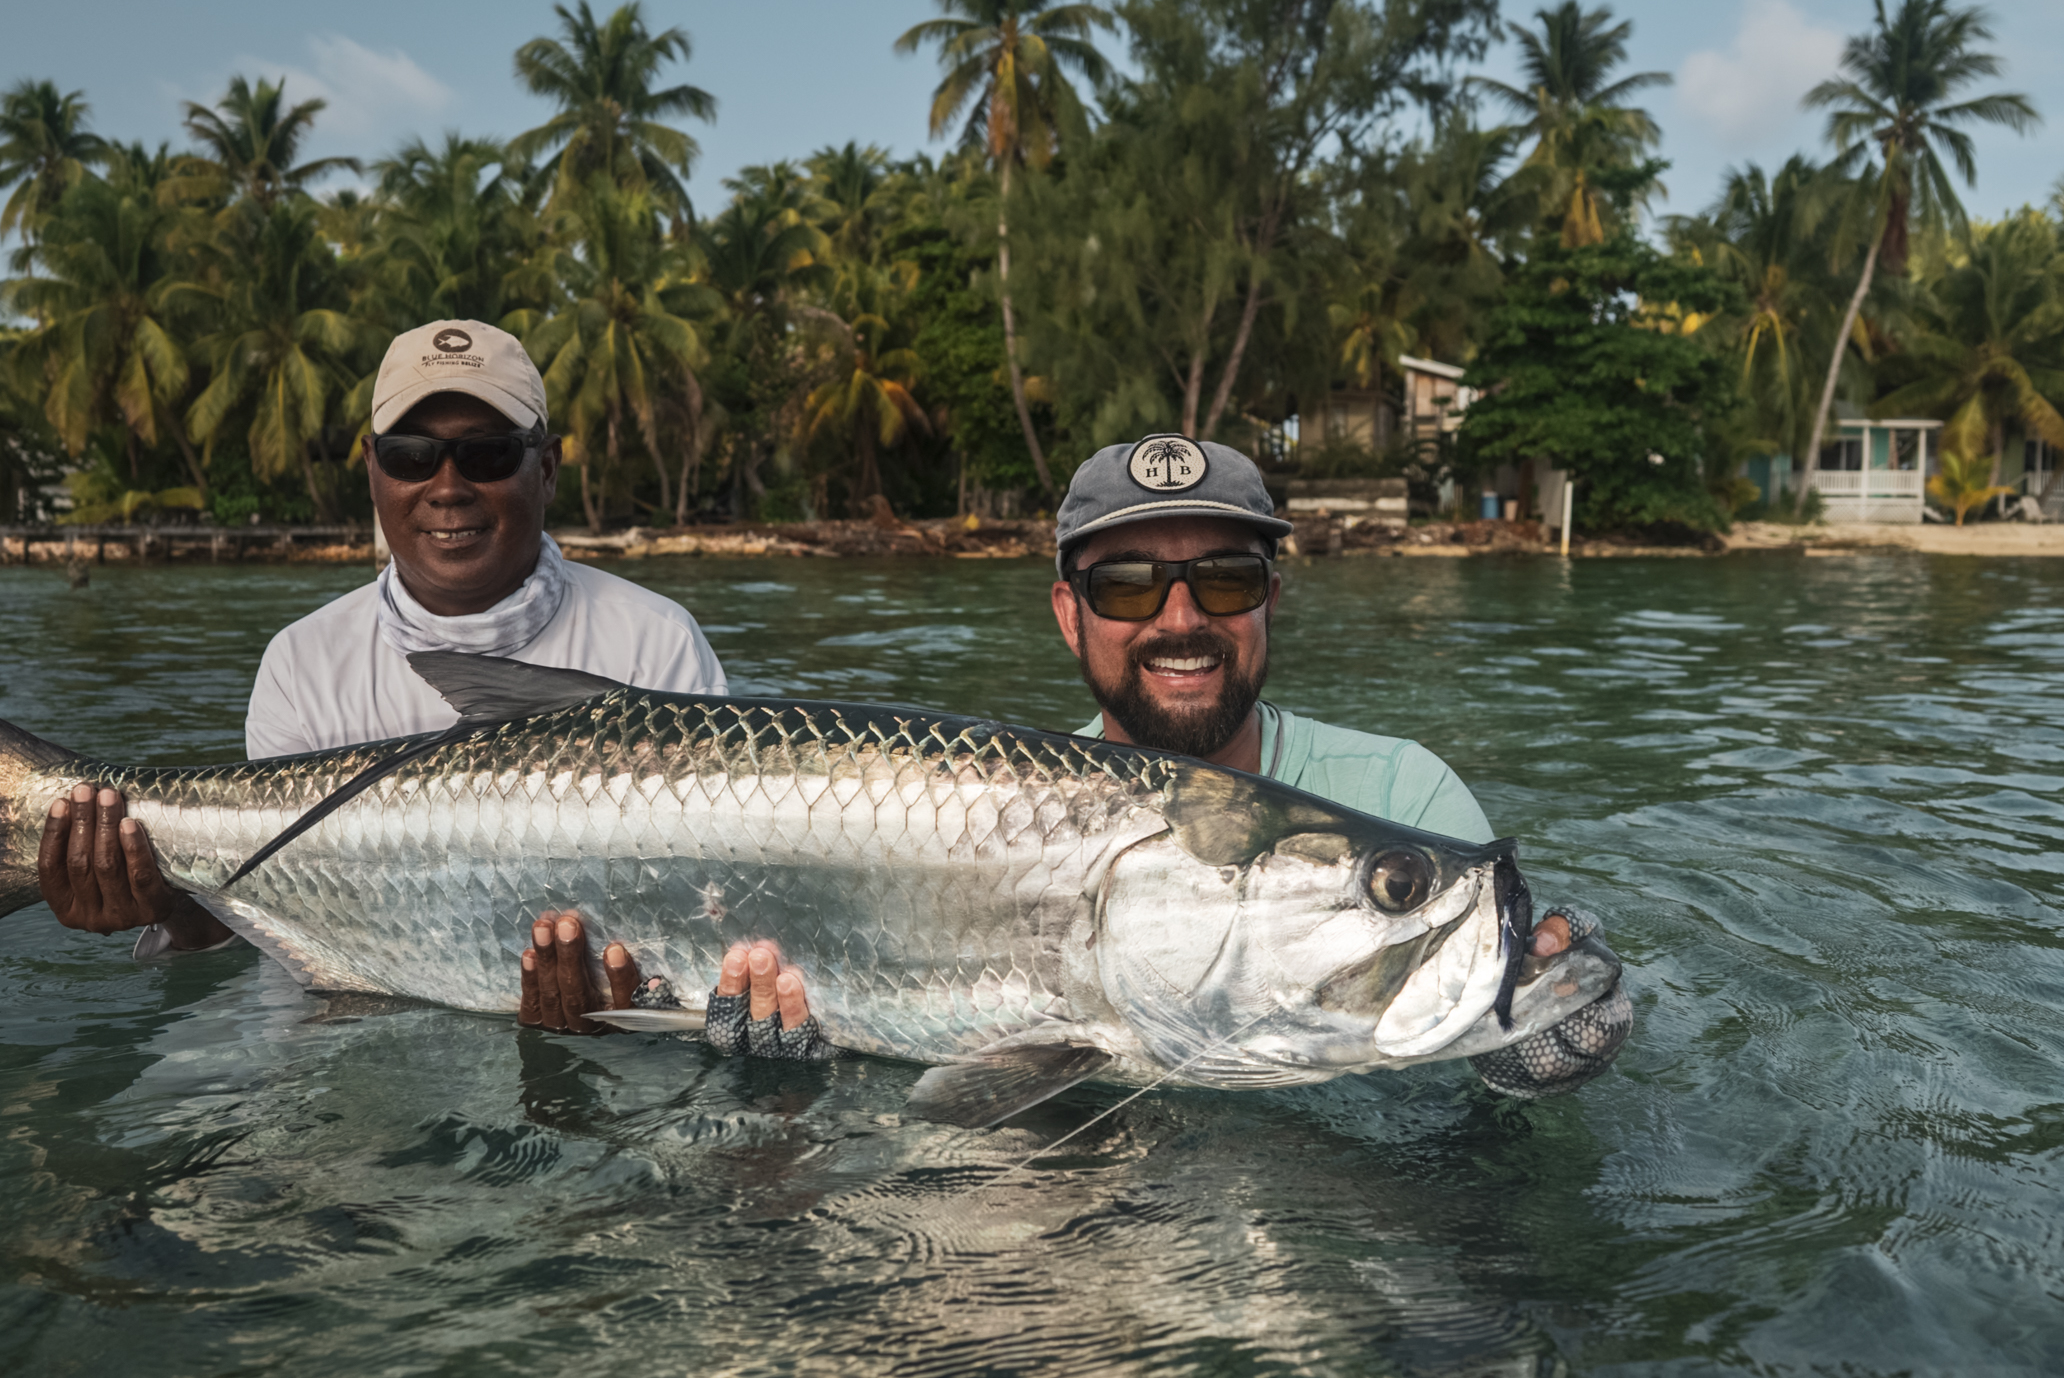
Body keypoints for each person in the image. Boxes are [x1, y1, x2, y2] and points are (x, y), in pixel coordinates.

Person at [521, 433, 1576, 1050]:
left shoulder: (1407, 798)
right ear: (1069, 615)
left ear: (1270, 603)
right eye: (1125, 584)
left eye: (1225, 578)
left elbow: (1490, 1065)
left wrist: (1554, 1035)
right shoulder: (995, 791)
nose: (1179, 619)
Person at [35, 319, 726, 992]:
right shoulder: (302, 664)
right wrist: (170, 905)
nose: (448, 486)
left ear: (545, 468)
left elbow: (708, 905)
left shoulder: (655, 642)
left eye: (486, 453)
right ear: (372, 470)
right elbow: (272, 923)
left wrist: (626, 1009)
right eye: (410, 456)